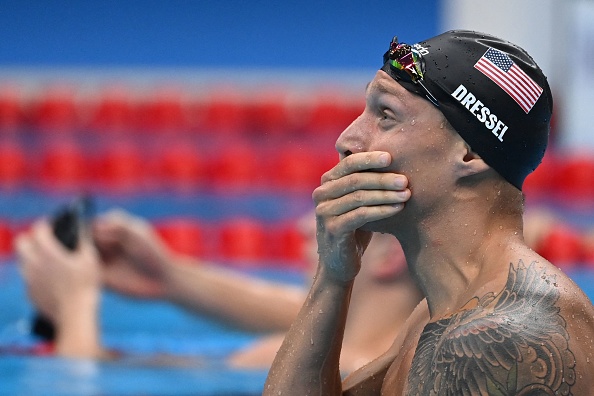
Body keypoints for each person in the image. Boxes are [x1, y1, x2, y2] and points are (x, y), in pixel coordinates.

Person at [263, 30, 594, 395]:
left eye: (386, 115)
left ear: (470, 154)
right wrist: (333, 277)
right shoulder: (436, 316)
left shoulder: (501, 338)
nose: (347, 140)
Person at [14, 208, 423, 374]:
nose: (303, 227)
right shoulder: (423, 349)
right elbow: (301, 314)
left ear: (387, 255)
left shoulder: (306, 364)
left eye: (332, 209)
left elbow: (75, 387)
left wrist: (73, 307)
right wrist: (171, 279)